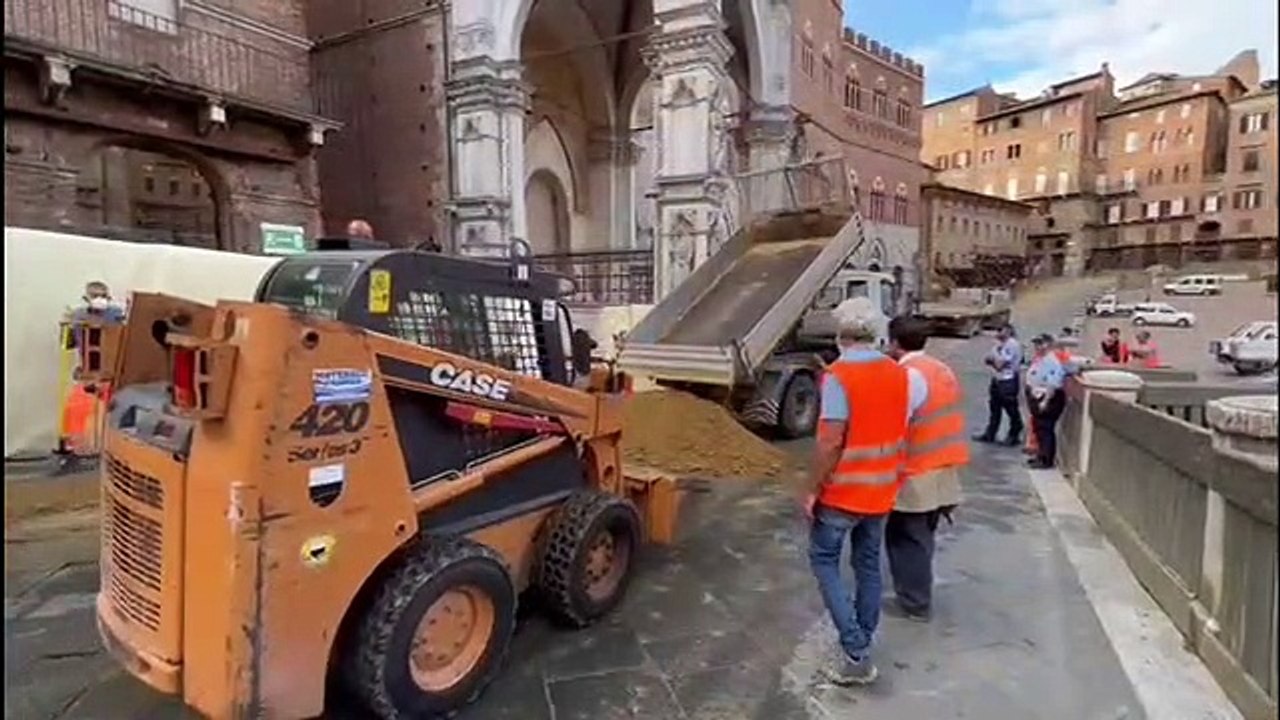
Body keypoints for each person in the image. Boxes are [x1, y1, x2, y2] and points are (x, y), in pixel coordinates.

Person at [804, 298, 921, 686]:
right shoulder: (898, 373)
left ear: (841, 335)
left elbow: (829, 443)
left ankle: (856, 651)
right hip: (883, 489)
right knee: (868, 565)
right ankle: (862, 641)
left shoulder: (838, 376)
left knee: (824, 561)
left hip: (843, 493)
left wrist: (811, 489)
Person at [885, 316, 967, 623]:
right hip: (943, 467)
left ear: (894, 342)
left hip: (917, 471)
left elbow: (896, 426)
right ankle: (916, 596)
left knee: (907, 539)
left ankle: (915, 603)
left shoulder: (908, 376)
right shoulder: (940, 368)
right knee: (922, 537)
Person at [973, 323, 1022, 446]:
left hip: (1008, 380)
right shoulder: (999, 345)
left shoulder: (1012, 344)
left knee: (1011, 409)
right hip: (997, 379)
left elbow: (1000, 365)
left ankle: (1014, 433)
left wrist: (994, 360)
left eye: (1000, 330)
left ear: (1008, 331)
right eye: (997, 330)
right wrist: (994, 360)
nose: (997, 333)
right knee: (994, 408)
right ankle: (990, 433)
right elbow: (987, 360)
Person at [1025, 334, 1067, 469]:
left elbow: (1053, 384)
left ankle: (1046, 459)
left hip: (1049, 397)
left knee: (1046, 428)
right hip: (1037, 396)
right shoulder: (1040, 360)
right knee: (1039, 428)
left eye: (1040, 344)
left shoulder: (1052, 361)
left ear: (1048, 345)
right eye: (1036, 344)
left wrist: (1045, 401)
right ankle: (1040, 454)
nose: (1037, 347)